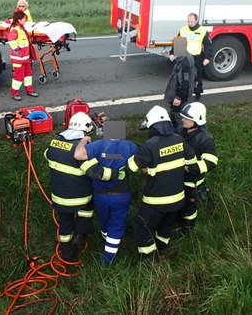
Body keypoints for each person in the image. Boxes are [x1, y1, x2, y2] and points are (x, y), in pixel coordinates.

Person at [44, 112, 123, 262]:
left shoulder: (54, 143)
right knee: (87, 210)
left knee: (65, 223)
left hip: (58, 197)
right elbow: (96, 172)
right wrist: (116, 174)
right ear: (85, 130)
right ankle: (81, 235)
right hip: (81, 197)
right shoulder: (81, 150)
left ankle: (66, 251)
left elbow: (47, 155)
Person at [126, 106, 196, 261]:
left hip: (155, 201)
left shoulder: (150, 145)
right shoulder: (179, 139)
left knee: (141, 225)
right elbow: (191, 162)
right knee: (165, 226)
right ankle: (162, 248)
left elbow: (132, 166)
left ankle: (149, 258)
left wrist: (148, 168)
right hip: (178, 199)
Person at [74, 121, 138, 265]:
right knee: (116, 225)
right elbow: (142, 163)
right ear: (121, 133)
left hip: (100, 195)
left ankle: (105, 240)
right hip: (122, 195)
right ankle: (107, 260)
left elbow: (78, 154)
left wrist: (83, 140)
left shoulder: (99, 145)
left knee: (104, 222)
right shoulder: (130, 146)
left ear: (107, 132)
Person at [179, 102, 218, 231]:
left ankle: (188, 229)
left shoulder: (205, 139)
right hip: (178, 179)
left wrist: (189, 168)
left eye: (187, 118)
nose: (182, 120)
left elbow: (211, 162)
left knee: (189, 209)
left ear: (197, 120)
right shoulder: (180, 131)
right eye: (183, 117)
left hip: (192, 183)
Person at [169, 13, 212, 100]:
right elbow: (178, 43)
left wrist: (207, 58)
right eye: (188, 21)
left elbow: (208, 45)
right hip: (185, 57)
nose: (190, 23)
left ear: (196, 21)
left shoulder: (202, 31)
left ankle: (198, 94)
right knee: (182, 76)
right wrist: (172, 53)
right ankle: (181, 95)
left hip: (197, 58)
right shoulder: (184, 30)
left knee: (197, 77)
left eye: (192, 21)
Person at [8, 10, 38, 101]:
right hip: (19, 59)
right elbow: (11, 41)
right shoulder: (15, 29)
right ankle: (14, 94)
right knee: (18, 77)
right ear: (19, 20)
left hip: (25, 58)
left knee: (28, 75)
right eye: (24, 19)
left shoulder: (21, 28)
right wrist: (17, 50)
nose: (25, 20)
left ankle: (29, 90)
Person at [164, 55, 195, 133]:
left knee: (178, 117)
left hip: (179, 96)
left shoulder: (184, 61)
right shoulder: (186, 57)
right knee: (176, 115)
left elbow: (184, 82)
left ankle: (179, 136)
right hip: (180, 95)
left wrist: (178, 97)